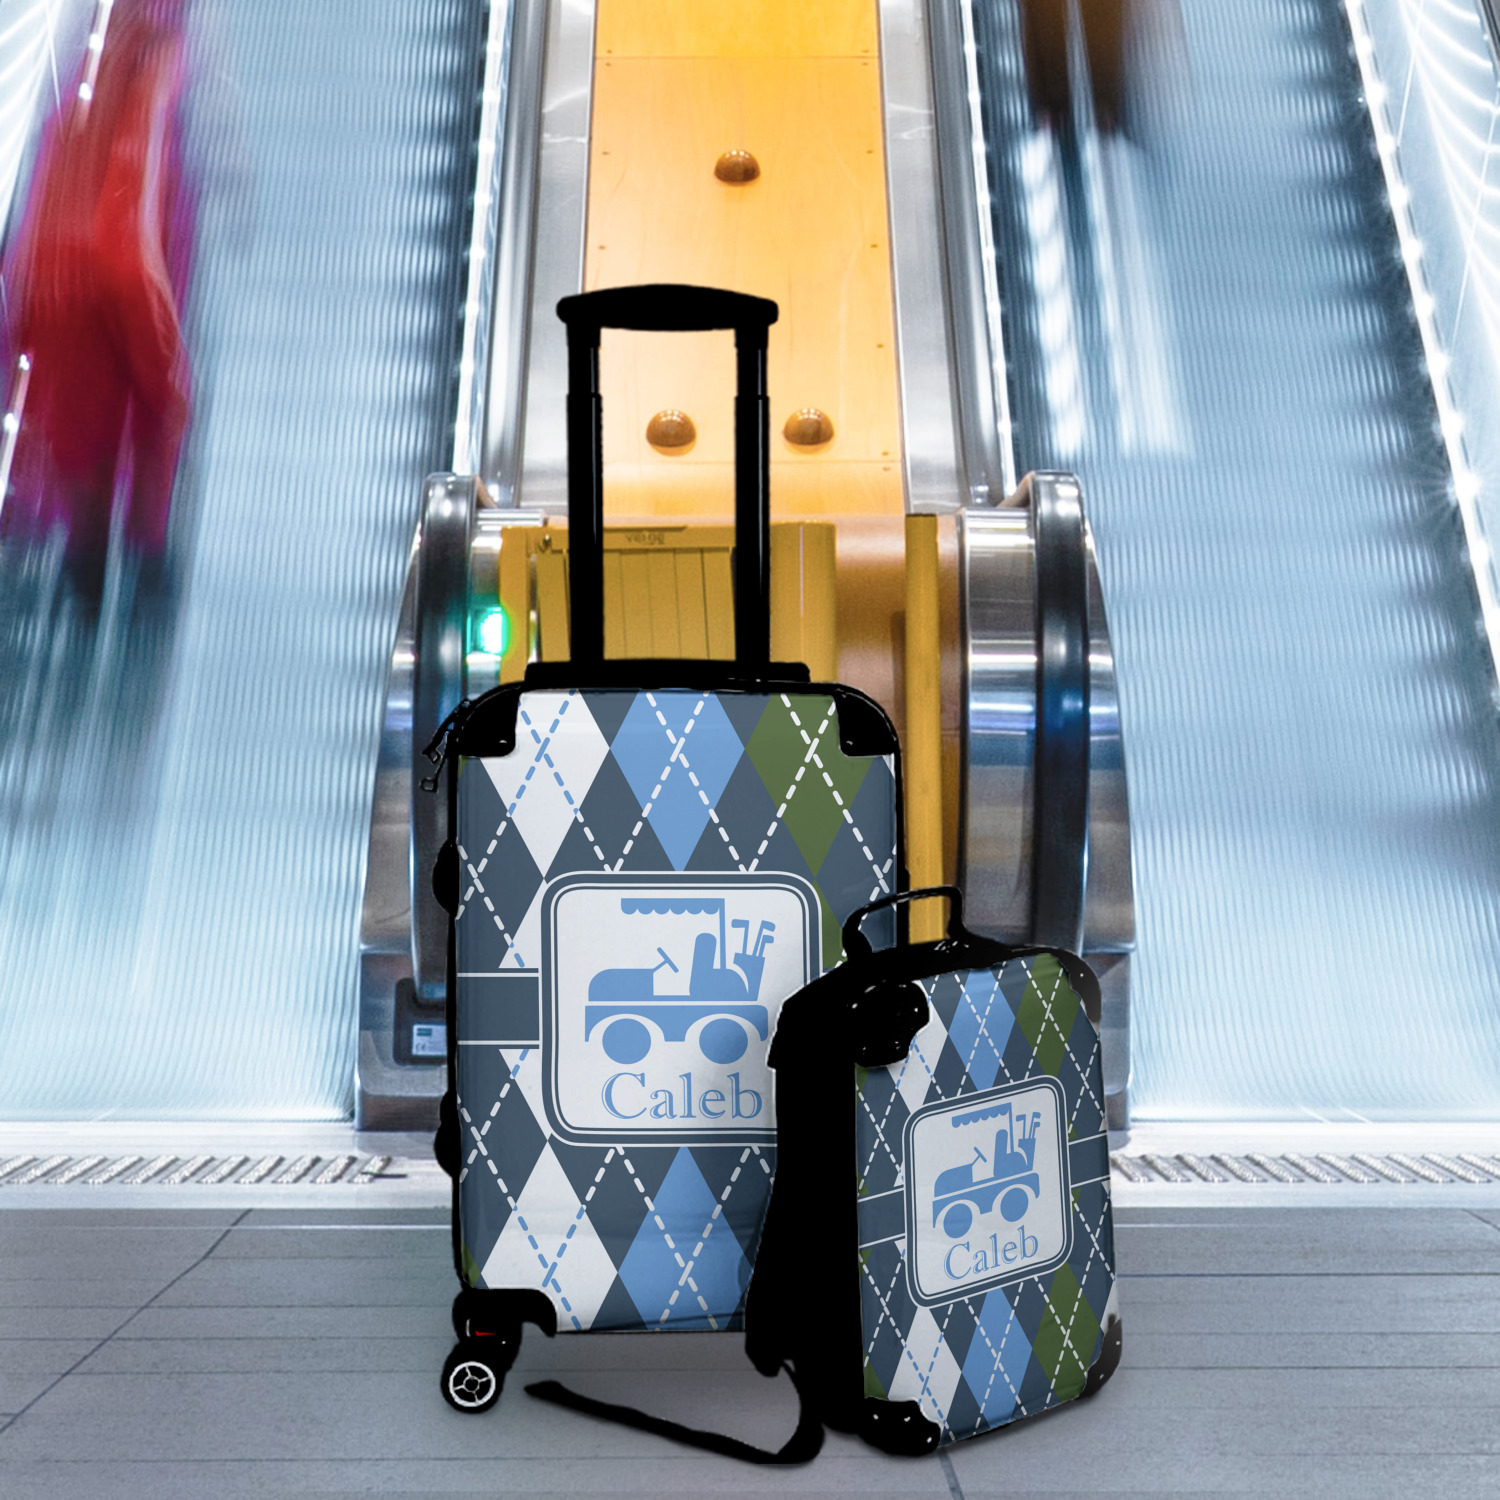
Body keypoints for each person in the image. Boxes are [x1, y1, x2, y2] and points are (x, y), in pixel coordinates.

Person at [3, 0, 192, 611]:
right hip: (112, 264)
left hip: (48, 268)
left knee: (80, 426)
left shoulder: (70, 52)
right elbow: (129, 195)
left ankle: (88, 567)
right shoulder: (154, 49)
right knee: (161, 402)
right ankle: (144, 561)